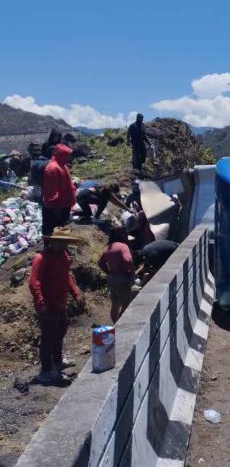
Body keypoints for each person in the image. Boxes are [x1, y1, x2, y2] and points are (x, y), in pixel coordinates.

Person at [28, 227, 85, 385]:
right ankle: (46, 371)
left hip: (60, 302)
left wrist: (76, 293)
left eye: (66, 242)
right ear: (53, 241)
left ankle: (58, 361)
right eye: (62, 242)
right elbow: (34, 282)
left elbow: (67, 276)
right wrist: (41, 303)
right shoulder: (42, 257)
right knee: (48, 337)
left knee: (61, 330)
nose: (64, 245)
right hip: (48, 304)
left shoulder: (64, 255)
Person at [98, 226, 136, 322]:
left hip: (112, 278)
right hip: (122, 277)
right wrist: (132, 273)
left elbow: (100, 263)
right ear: (124, 235)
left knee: (115, 304)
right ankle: (121, 325)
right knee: (126, 305)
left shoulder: (107, 247)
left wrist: (108, 272)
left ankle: (115, 324)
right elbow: (128, 260)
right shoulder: (123, 246)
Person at [42, 143, 76, 236]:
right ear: (62, 155)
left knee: (60, 229)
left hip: (64, 204)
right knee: (52, 230)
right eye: (68, 156)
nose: (70, 158)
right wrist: (56, 207)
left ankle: (59, 248)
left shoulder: (62, 165)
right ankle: (50, 249)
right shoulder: (52, 168)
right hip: (56, 207)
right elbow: (51, 190)